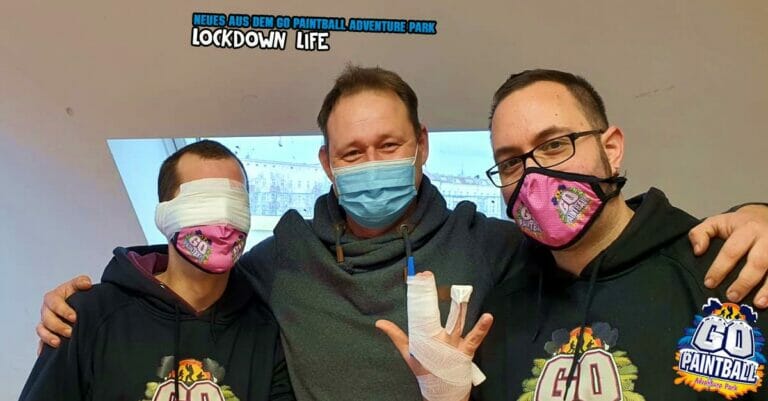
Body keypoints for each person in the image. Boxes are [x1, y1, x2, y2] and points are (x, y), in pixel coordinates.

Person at [33, 66, 768, 401]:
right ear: (327, 164)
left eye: (388, 145)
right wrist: (100, 297)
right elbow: (197, 277)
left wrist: (756, 215)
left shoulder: (497, 245)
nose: (372, 164)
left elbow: (602, 239)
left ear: (421, 146)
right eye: (352, 153)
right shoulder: (282, 260)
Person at [473, 69, 767, 400]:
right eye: (511, 163)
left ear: (611, 149)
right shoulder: (500, 313)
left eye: (554, 145)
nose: (533, 177)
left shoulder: (728, 272)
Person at [19, 140, 294, 401]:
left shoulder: (266, 332)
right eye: (202, 203)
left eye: (235, 206)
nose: (222, 222)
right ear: (164, 215)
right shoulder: (88, 315)